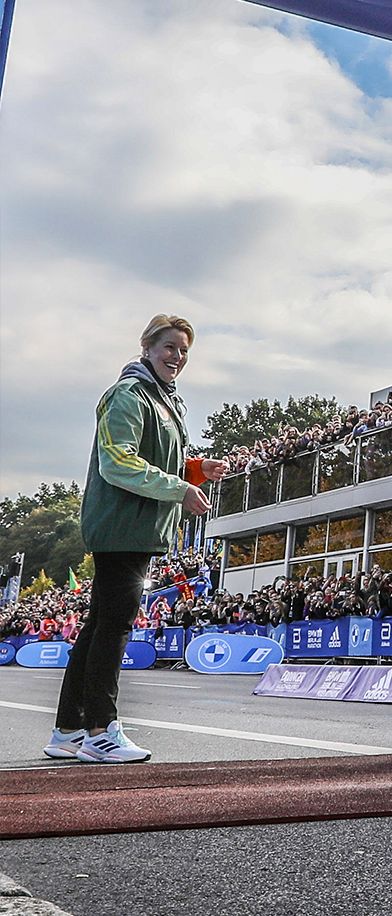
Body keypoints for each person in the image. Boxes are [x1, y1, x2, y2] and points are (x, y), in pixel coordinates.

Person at [49, 315, 227, 764]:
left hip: (139, 526)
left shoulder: (165, 400)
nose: (178, 357)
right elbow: (118, 464)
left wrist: (193, 470)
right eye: (169, 347)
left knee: (99, 626)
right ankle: (101, 729)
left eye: (184, 350)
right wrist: (181, 489)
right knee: (114, 626)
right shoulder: (128, 395)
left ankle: (69, 729)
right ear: (146, 348)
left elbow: (154, 458)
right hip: (121, 526)